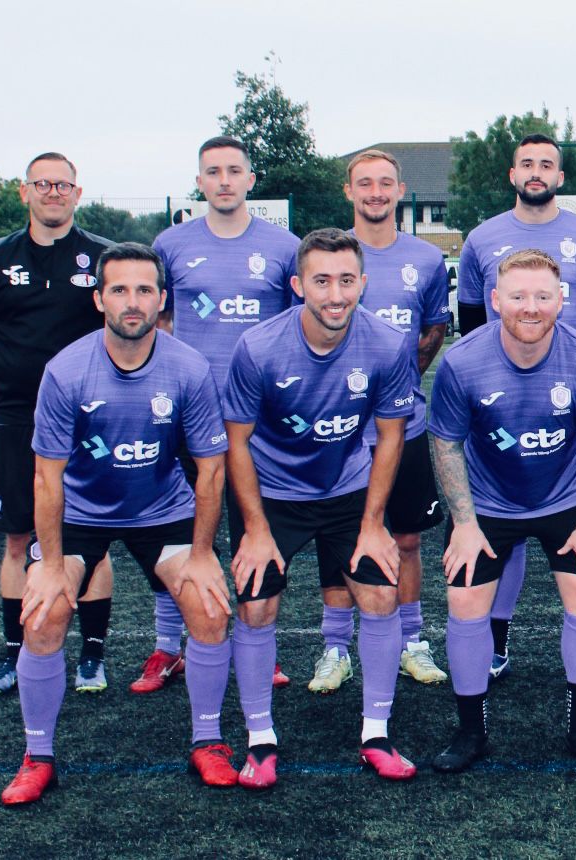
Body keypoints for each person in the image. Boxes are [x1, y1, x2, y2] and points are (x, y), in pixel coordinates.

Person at [1, 243, 234, 804]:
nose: (134, 302)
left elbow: (210, 470)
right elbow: (47, 479)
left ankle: (208, 740)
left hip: (161, 507)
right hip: (81, 510)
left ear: (161, 299)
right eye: (121, 290)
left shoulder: (188, 368)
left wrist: (203, 553)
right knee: (44, 613)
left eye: (145, 290)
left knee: (207, 606)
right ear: (100, 298)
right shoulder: (66, 371)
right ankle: (37, 756)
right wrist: (52, 565)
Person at [221, 228, 419, 787]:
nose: (336, 294)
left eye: (347, 280)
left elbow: (389, 437)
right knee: (257, 608)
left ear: (363, 282)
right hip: (274, 494)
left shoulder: (386, 344)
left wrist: (374, 523)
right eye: (322, 281)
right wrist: (256, 529)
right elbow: (236, 442)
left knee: (381, 593)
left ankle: (375, 734)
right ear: (298, 285)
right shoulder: (258, 348)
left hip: (349, 491)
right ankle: (260, 741)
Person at [426, 249, 576, 771]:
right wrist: (464, 526)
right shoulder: (462, 361)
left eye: (542, 296)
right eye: (517, 296)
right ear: (495, 301)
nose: (530, 307)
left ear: (562, 299)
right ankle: (471, 731)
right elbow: (445, 444)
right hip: (488, 501)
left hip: (564, 496)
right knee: (465, 599)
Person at [458, 133, 576, 681]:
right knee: (506, 512)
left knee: (575, 517)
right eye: (526, 163)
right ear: (512, 174)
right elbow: (471, 322)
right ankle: (496, 641)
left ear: (560, 175)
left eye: (546, 164)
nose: (536, 171)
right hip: (500, 403)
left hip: (570, 398)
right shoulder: (482, 239)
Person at [147, 135, 299, 694]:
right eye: (214, 171)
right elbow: (159, 323)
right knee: (178, 528)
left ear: (251, 180)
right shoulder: (171, 243)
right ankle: (169, 646)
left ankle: (262, 646)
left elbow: (294, 329)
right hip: (190, 409)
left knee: (254, 530)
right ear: (200, 181)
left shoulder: (284, 247)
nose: (225, 181)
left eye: (235, 170)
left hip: (257, 416)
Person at [0, 152, 116, 696]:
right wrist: (8, 375)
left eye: (64, 184)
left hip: (88, 419)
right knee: (17, 539)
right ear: (25, 191)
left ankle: (92, 657)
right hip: (17, 415)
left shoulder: (101, 257)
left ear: (78, 193)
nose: (54, 192)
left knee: (90, 540)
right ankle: (13, 654)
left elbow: (122, 326)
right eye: (43, 183)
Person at [309, 149, 454, 692]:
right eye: (364, 183)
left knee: (408, 537)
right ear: (348, 191)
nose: (375, 191)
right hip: (338, 431)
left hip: (405, 425)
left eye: (385, 183)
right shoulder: (325, 256)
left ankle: (412, 641)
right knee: (336, 536)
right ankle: (334, 647)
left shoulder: (426, 258)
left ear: (399, 190)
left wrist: (394, 386)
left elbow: (433, 331)